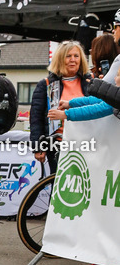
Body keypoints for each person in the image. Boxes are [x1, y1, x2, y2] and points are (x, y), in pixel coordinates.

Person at [29, 41, 92, 176]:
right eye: (68, 56)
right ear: (60, 59)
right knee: (59, 187)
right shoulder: (46, 84)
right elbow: (36, 118)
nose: (73, 60)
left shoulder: (90, 83)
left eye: (76, 56)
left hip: (86, 143)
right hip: (57, 144)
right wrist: (38, 147)